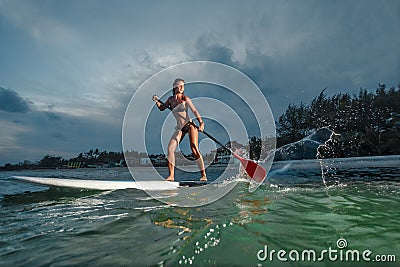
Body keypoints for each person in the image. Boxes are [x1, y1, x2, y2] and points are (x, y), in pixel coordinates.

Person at [152, 78, 207, 182]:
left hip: (190, 125)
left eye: (183, 86)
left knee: (194, 148)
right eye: (179, 85)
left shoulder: (185, 98)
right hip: (180, 128)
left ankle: (203, 175)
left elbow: (194, 110)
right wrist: (156, 101)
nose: (182, 88)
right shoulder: (170, 100)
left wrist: (201, 123)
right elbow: (162, 108)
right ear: (174, 86)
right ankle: (171, 176)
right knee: (170, 149)